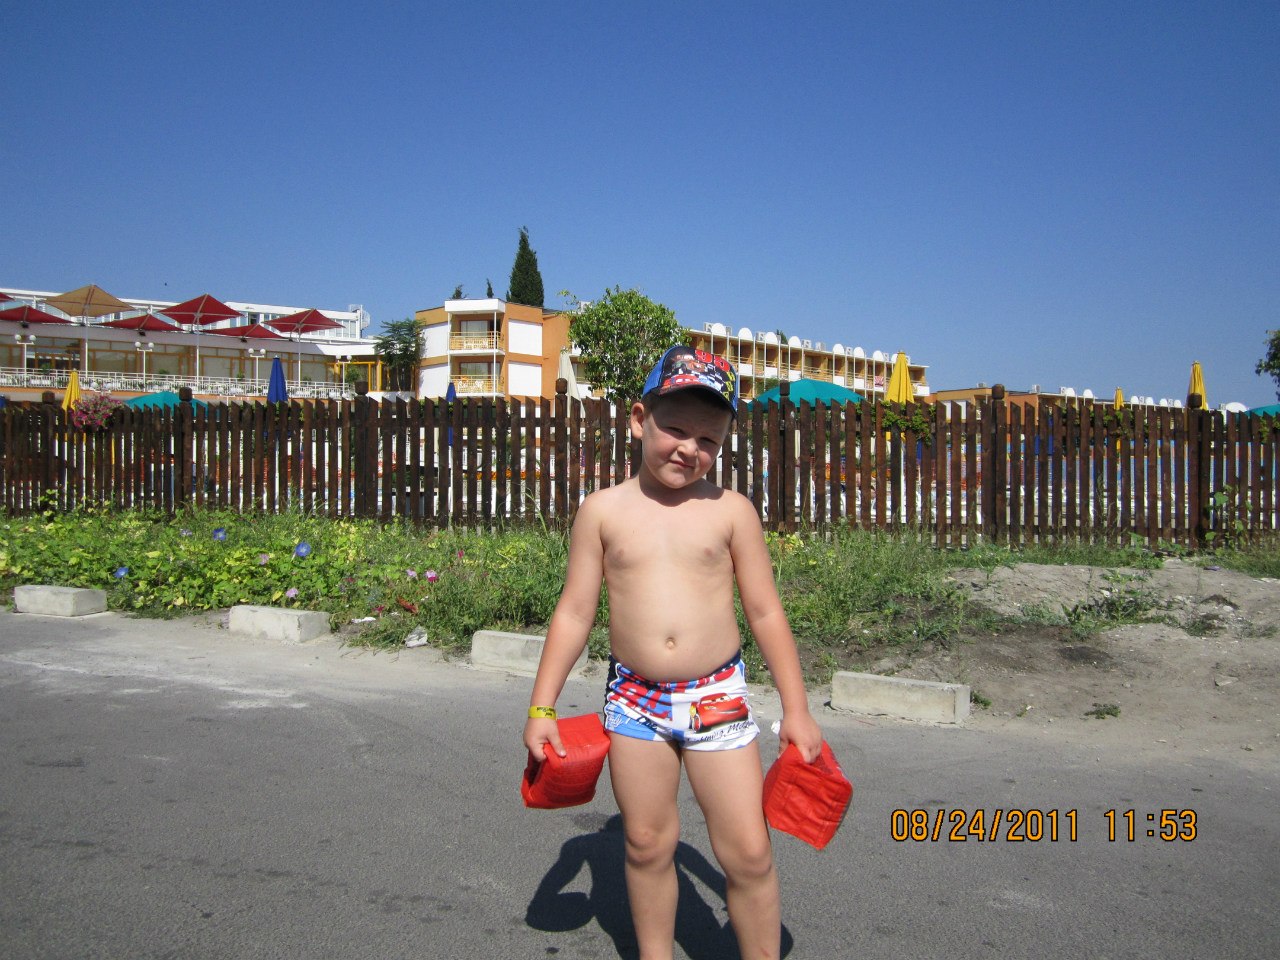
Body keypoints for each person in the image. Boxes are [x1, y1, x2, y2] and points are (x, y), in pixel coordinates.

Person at [524, 344, 823, 960]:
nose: (690, 448)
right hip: (635, 702)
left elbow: (766, 613)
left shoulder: (731, 512)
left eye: (708, 439)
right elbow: (575, 612)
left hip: (716, 698)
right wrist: (542, 707)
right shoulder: (602, 511)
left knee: (749, 852)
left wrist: (797, 710)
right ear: (640, 420)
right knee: (645, 844)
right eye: (677, 430)